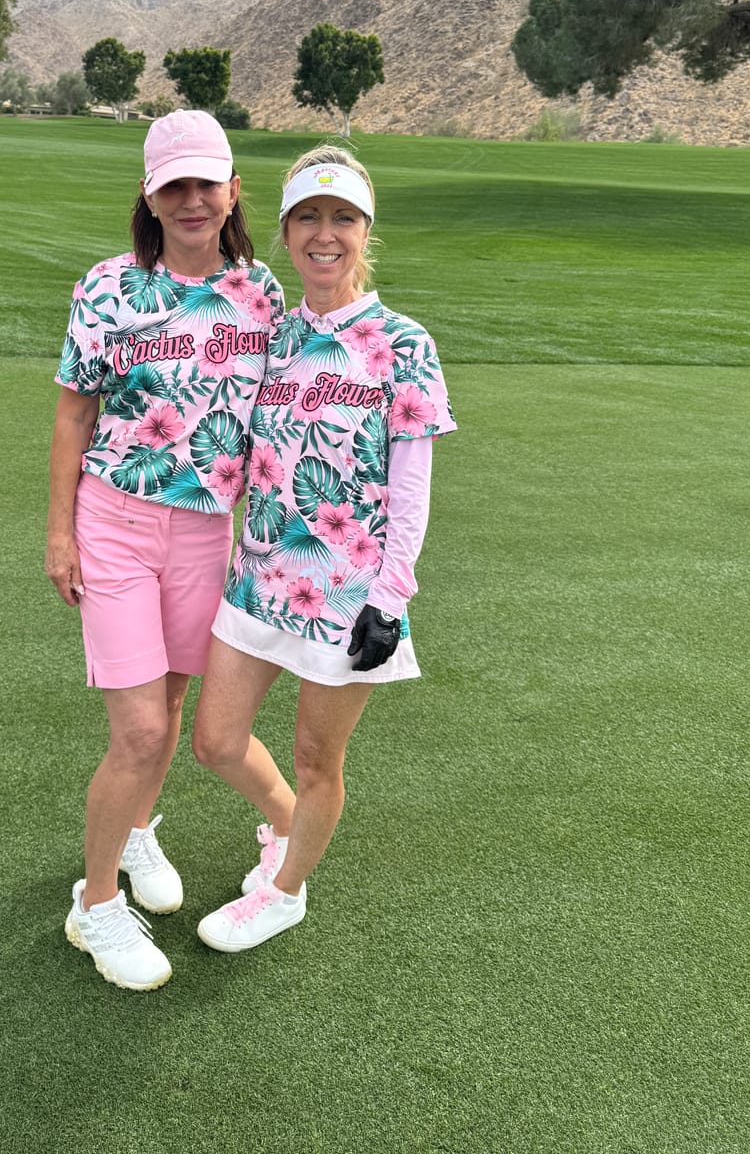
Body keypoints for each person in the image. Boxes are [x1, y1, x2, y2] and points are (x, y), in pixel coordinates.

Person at [192, 145, 456, 952]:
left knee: (316, 759)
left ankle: (285, 893)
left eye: (343, 217)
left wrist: (392, 598)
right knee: (215, 742)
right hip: (258, 577)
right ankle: (285, 827)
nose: (324, 234)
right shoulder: (270, 338)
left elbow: (410, 484)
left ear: (365, 230)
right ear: (285, 230)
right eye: (308, 216)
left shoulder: (402, 343)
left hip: (347, 593)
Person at [46, 109, 285, 990]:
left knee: (174, 701)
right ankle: (96, 903)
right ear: (149, 197)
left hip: (206, 529)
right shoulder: (109, 287)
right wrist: (59, 531)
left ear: (232, 192)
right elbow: (74, 411)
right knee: (141, 729)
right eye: (173, 186)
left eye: (205, 184)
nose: (191, 200)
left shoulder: (261, 294)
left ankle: (138, 832)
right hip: (114, 519)